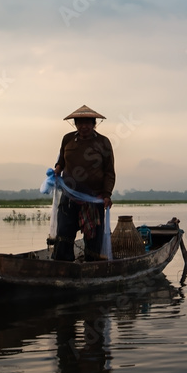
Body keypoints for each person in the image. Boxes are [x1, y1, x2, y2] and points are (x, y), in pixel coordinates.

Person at [51, 105, 116, 261]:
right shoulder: (67, 139)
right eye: (80, 123)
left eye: (87, 123)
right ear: (75, 124)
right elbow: (61, 160)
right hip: (69, 196)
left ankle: (92, 266)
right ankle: (62, 265)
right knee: (64, 234)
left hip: (93, 199)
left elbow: (109, 172)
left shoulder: (103, 142)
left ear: (94, 124)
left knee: (93, 238)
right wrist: (57, 169)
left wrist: (107, 194)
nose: (84, 126)